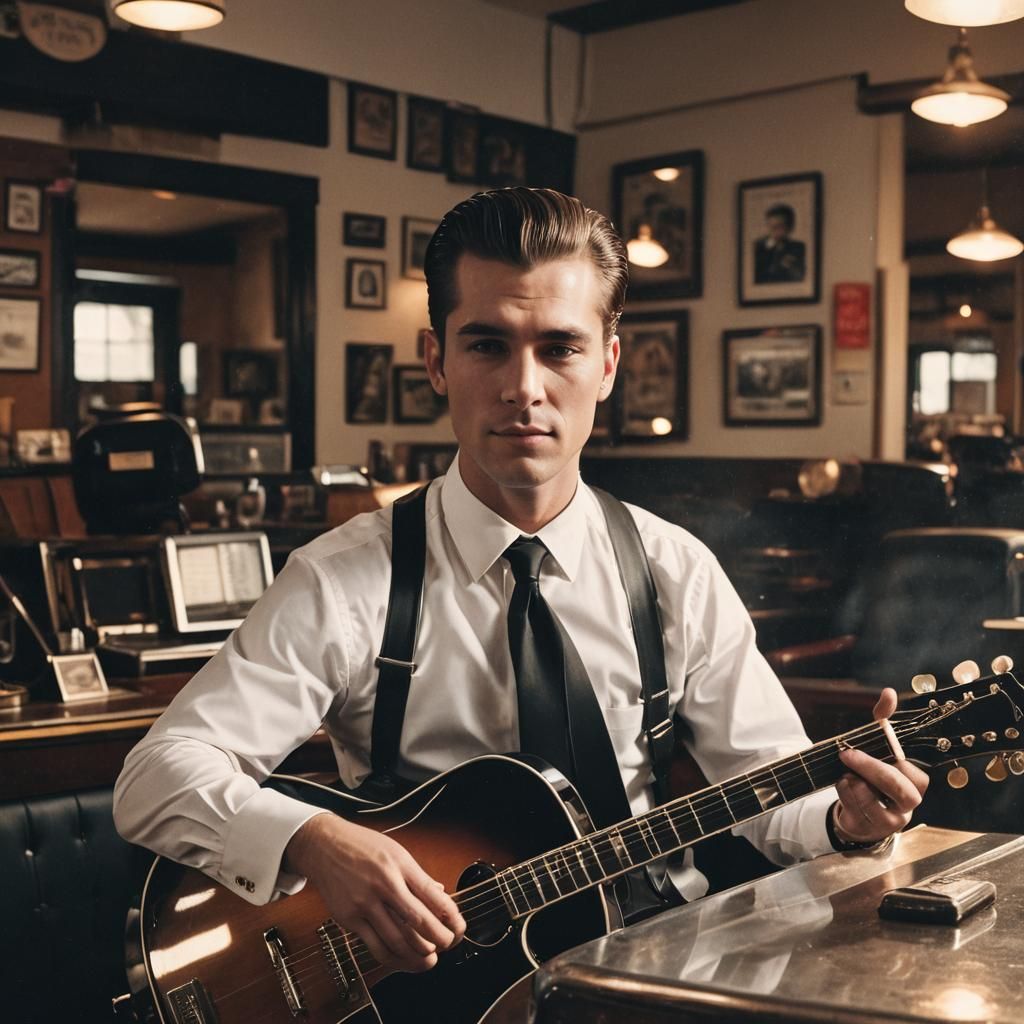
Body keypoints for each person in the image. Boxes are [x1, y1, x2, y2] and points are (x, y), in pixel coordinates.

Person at [114, 187, 926, 978]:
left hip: (656, 966)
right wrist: (314, 839)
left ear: (607, 365)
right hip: (432, 988)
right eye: (487, 344)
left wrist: (843, 820)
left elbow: (769, 787)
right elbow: (156, 777)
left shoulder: (673, 570)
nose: (523, 388)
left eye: (559, 347)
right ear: (437, 360)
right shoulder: (345, 580)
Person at [753, 202, 806, 284]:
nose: (775, 232)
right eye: (772, 227)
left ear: (790, 227)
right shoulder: (757, 247)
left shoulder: (799, 248)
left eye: (780, 226)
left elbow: (801, 278)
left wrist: (791, 267)